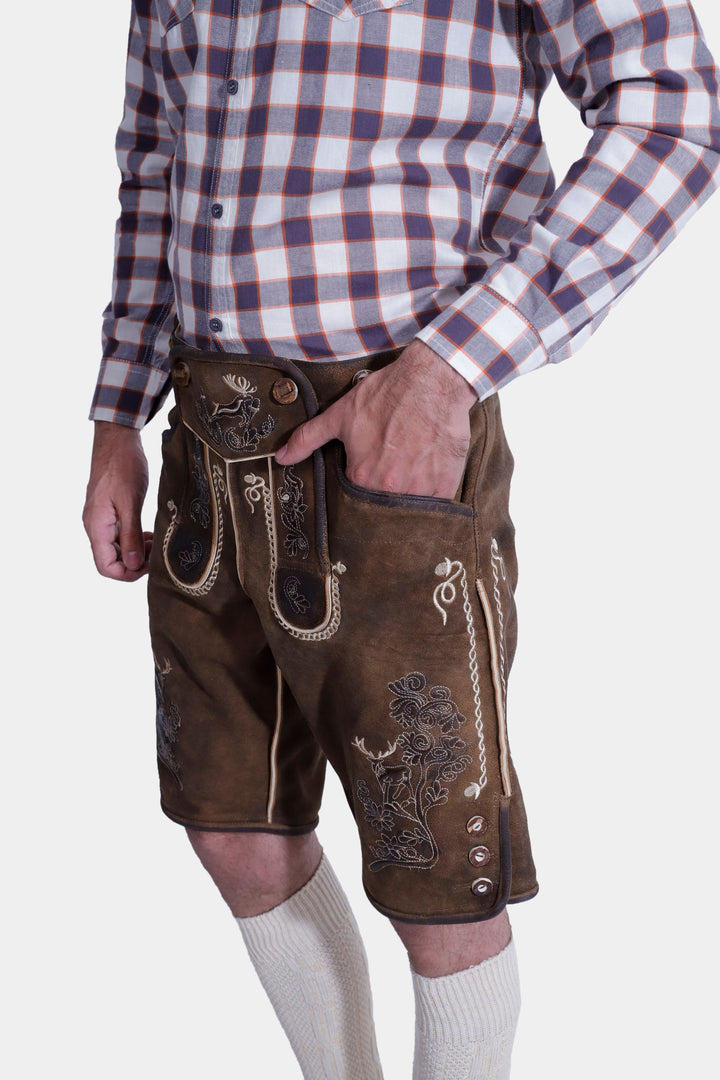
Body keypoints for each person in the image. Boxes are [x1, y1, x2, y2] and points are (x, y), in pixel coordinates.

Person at [83, 1, 720, 1077]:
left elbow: (672, 109)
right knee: (232, 825)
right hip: (203, 435)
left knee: (436, 869)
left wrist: (450, 370)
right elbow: (154, 154)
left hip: (386, 435)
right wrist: (117, 413)